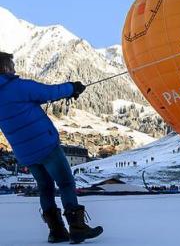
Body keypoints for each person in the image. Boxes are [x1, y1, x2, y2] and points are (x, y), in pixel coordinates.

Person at [0, 51, 103, 243]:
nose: (14, 69)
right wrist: (73, 87)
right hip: (46, 146)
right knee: (65, 183)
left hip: (26, 154)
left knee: (45, 188)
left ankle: (56, 231)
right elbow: (50, 92)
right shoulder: (18, 87)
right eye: (11, 65)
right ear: (5, 67)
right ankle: (77, 227)